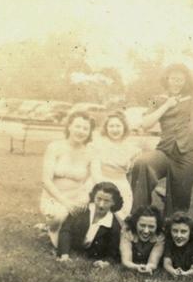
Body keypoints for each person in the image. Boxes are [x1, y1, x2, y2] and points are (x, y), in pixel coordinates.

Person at [130, 63, 193, 216]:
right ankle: (139, 216)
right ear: (167, 79)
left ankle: (171, 226)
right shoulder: (157, 99)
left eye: (181, 79)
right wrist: (167, 105)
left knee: (178, 204)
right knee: (143, 163)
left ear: (186, 81)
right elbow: (146, 123)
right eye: (173, 78)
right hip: (164, 150)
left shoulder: (192, 96)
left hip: (186, 153)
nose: (177, 82)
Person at [40, 111, 95, 248]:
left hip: (77, 197)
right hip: (54, 197)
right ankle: (51, 228)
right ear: (69, 126)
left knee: (86, 235)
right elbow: (45, 180)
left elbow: (94, 177)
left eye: (85, 128)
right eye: (77, 126)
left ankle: (61, 231)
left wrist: (86, 197)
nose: (81, 131)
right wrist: (65, 202)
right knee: (59, 215)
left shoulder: (90, 152)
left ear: (89, 132)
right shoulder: (55, 147)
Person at [91, 110, 141, 223]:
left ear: (124, 128)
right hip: (101, 180)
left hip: (121, 183)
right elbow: (95, 169)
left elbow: (129, 172)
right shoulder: (99, 144)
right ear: (106, 128)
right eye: (111, 126)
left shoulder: (131, 148)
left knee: (122, 214)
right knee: (101, 213)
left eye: (118, 126)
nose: (115, 129)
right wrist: (102, 187)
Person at [57, 182, 123, 266]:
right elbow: (66, 230)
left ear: (114, 202)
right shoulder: (82, 210)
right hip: (72, 247)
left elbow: (113, 252)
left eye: (106, 201)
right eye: (98, 199)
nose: (101, 204)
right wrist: (64, 254)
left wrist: (105, 262)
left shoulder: (114, 226)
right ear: (93, 197)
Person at [121, 205, 165, 274]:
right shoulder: (128, 232)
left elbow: (153, 262)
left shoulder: (160, 236)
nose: (146, 231)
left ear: (157, 226)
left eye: (151, 227)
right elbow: (126, 261)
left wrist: (148, 267)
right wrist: (137, 267)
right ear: (135, 223)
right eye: (142, 225)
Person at [163, 211, 193, 277]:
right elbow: (167, 263)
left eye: (183, 232)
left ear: (191, 232)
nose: (178, 236)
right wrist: (172, 270)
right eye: (175, 231)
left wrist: (185, 273)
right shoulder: (169, 242)